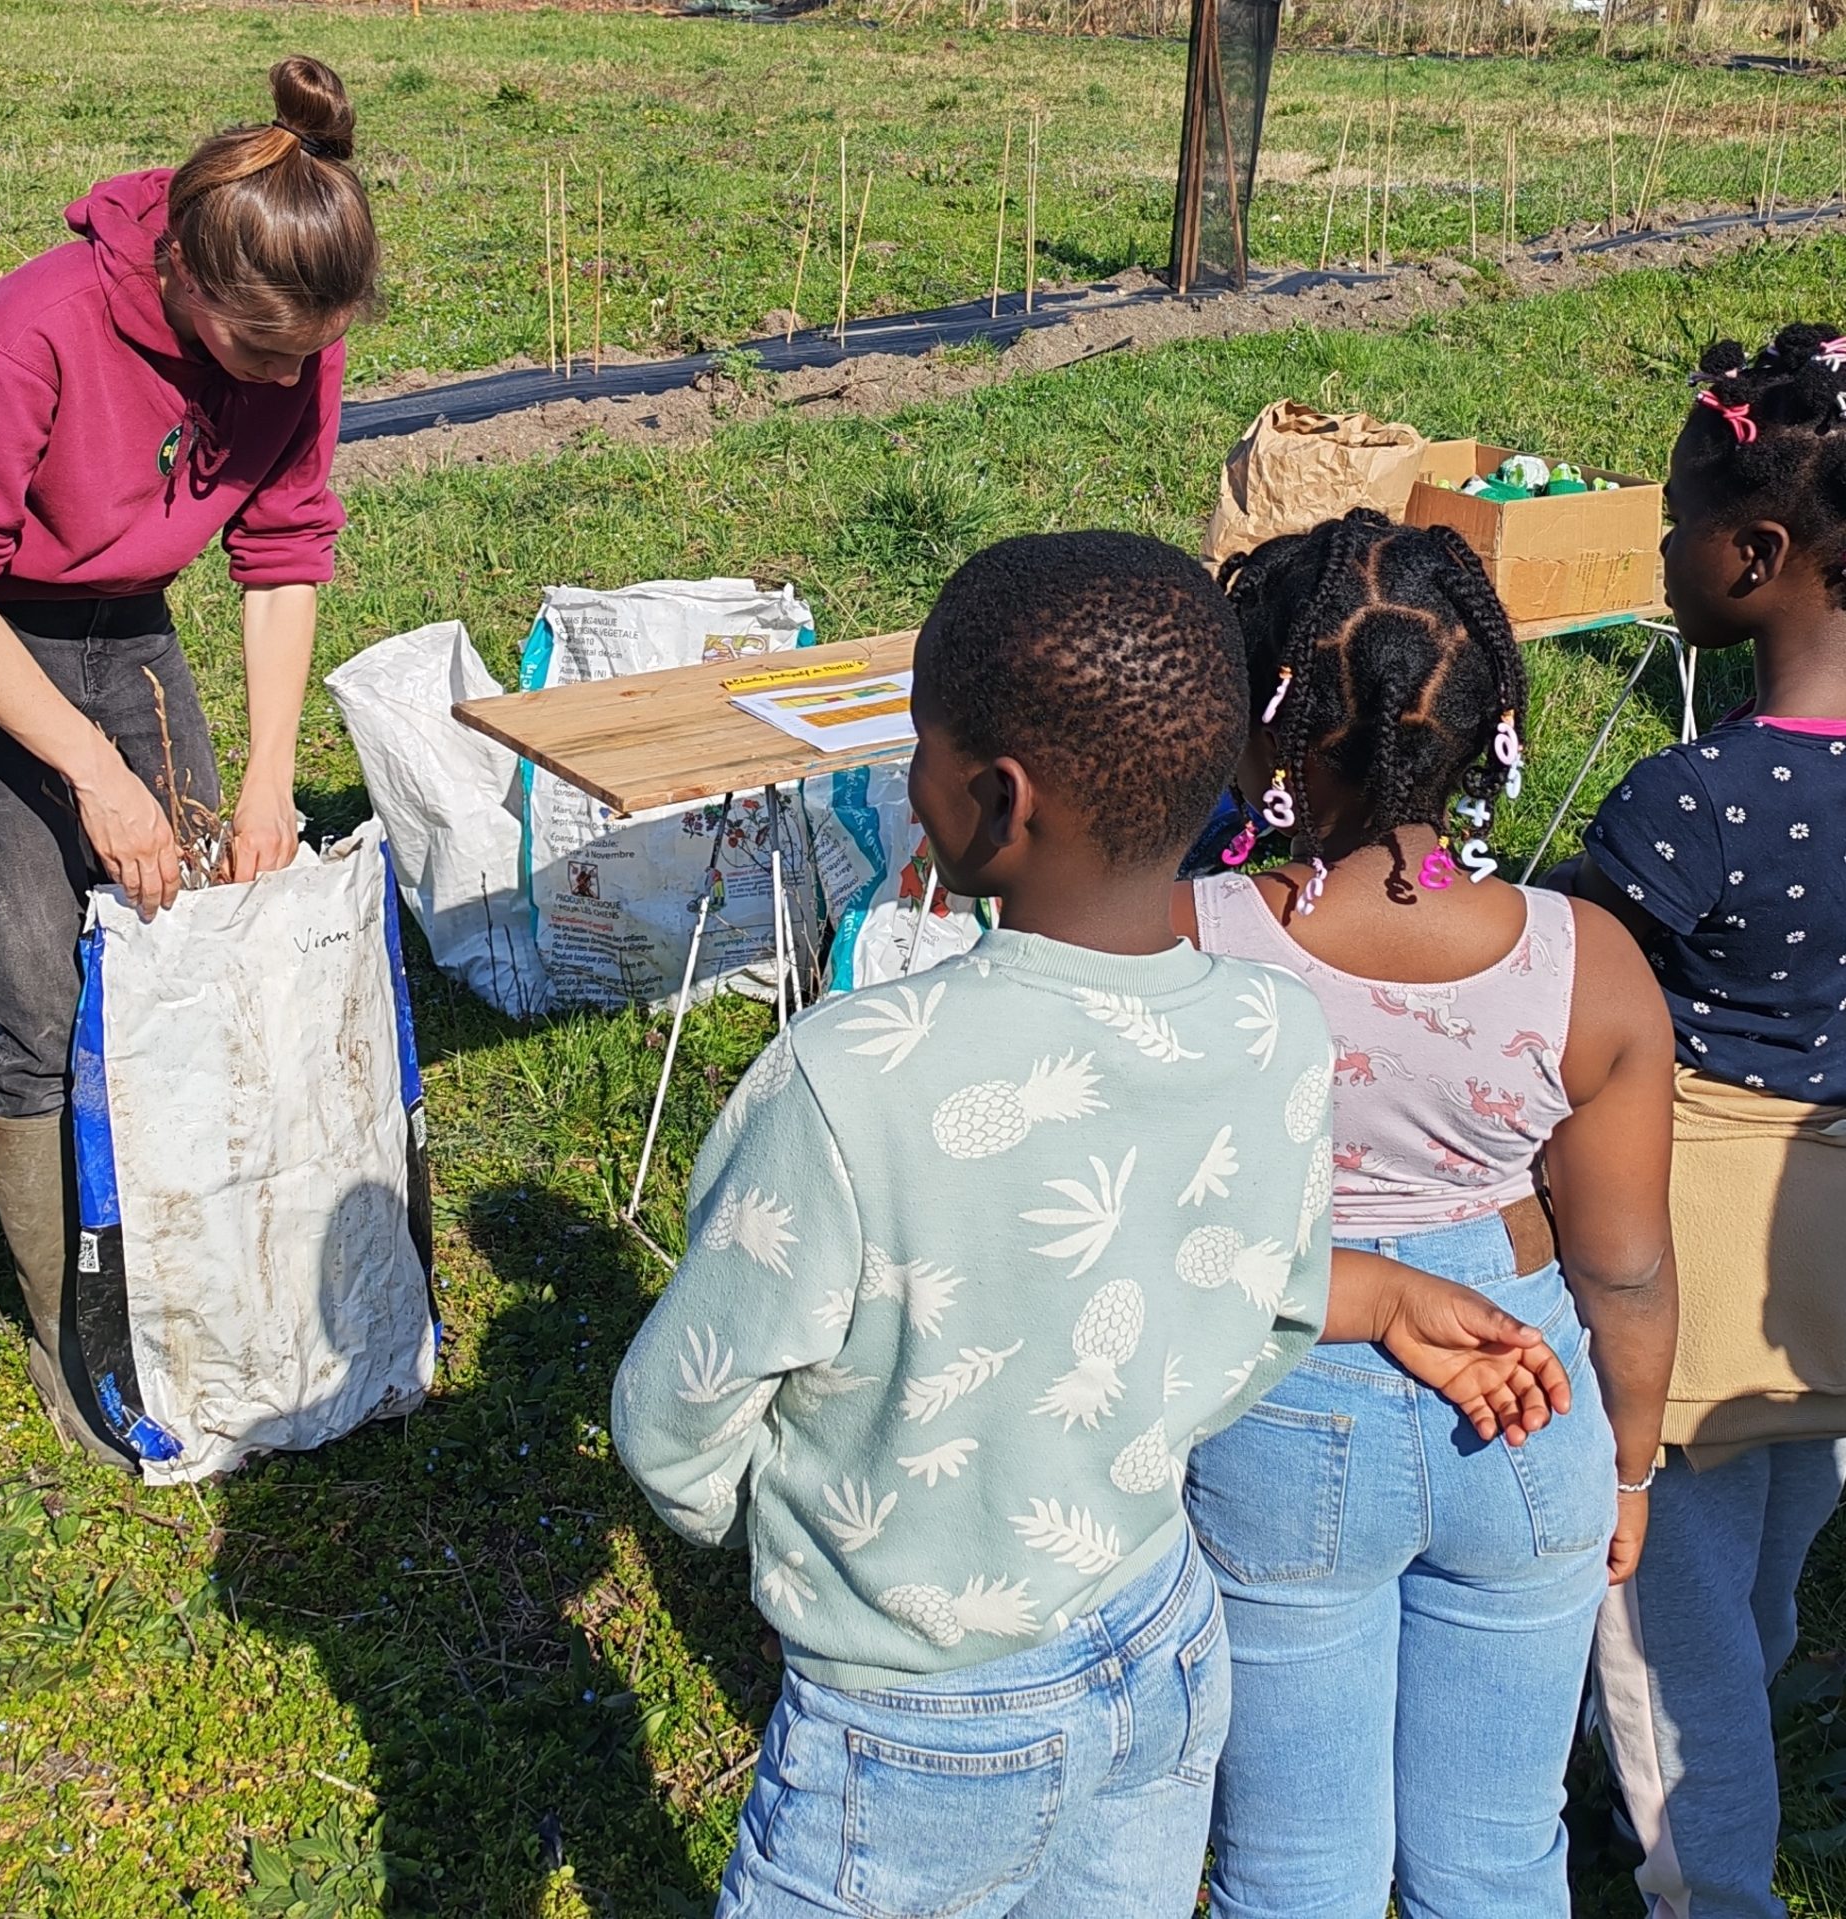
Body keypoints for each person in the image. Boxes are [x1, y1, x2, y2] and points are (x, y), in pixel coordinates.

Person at [611, 532, 1571, 1919]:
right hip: (1161, 1643)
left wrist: (793, 1524)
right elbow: (1270, 1317)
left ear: (997, 803)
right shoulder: (1270, 1024)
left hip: (912, 1714)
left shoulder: (847, 1077)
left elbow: (678, 1413)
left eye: (921, 751)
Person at [0, 58, 376, 1463]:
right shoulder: (33, 329)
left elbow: (281, 554)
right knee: (33, 980)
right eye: (261, 358)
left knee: (187, 926)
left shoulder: (295, 337)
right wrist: (92, 769)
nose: (283, 383)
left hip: (120, 624)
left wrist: (271, 775)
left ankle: (188, 1258)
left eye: (302, 360)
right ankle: (68, 1329)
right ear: (190, 288)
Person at [1176, 507, 1678, 1919]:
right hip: (1526, 1399)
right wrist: (1628, 1467)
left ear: (1259, 729)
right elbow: (1626, 1266)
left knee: (1293, 1872)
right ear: (1492, 724)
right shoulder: (1591, 961)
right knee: (1500, 1860)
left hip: (1282, 1387)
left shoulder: (1190, 945)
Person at [1572, 324, 1846, 1919]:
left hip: (1692, 1273)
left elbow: (1577, 992)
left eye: (1675, 519)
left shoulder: (1695, 804)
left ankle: (1711, 1887)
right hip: (1827, 1291)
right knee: (1767, 1566)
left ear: (1752, 553)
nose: (1662, 547)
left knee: (1670, 1645)